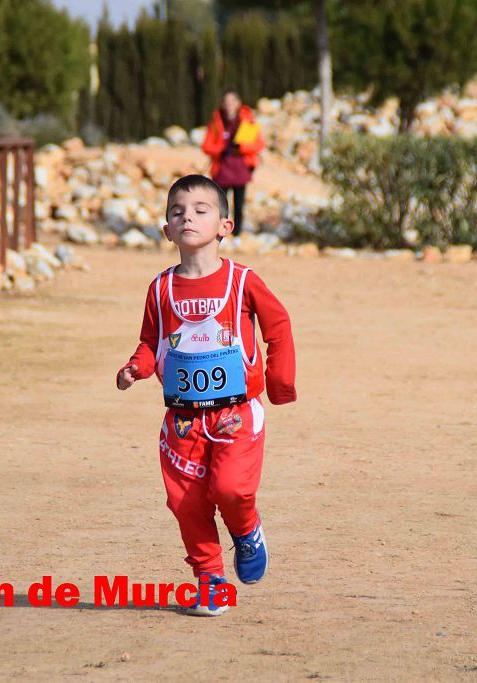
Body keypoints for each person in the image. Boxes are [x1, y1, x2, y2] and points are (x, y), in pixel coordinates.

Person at [116, 174, 297, 617]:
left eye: (201, 210)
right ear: (166, 230)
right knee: (186, 502)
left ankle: (247, 530)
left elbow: (279, 327)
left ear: (225, 226)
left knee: (230, 488)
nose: (188, 217)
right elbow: (150, 341)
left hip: (236, 414)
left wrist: (279, 384)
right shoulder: (160, 289)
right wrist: (135, 368)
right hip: (181, 419)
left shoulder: (243, 282)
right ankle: (210, 581)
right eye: (177, 211)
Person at [201, 89, 265, 240]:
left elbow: (259, 144)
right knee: (220, 205)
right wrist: (220, 150)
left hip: (240, 168)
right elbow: (206, 146)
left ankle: (237, 235)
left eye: (232, 101)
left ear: (238, 103)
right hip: (222, 169)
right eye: (226, 102)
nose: (229, 105)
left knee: (239, 205)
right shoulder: (216, 123)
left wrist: (242, 147)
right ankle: (218, 235)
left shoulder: (248, 122)